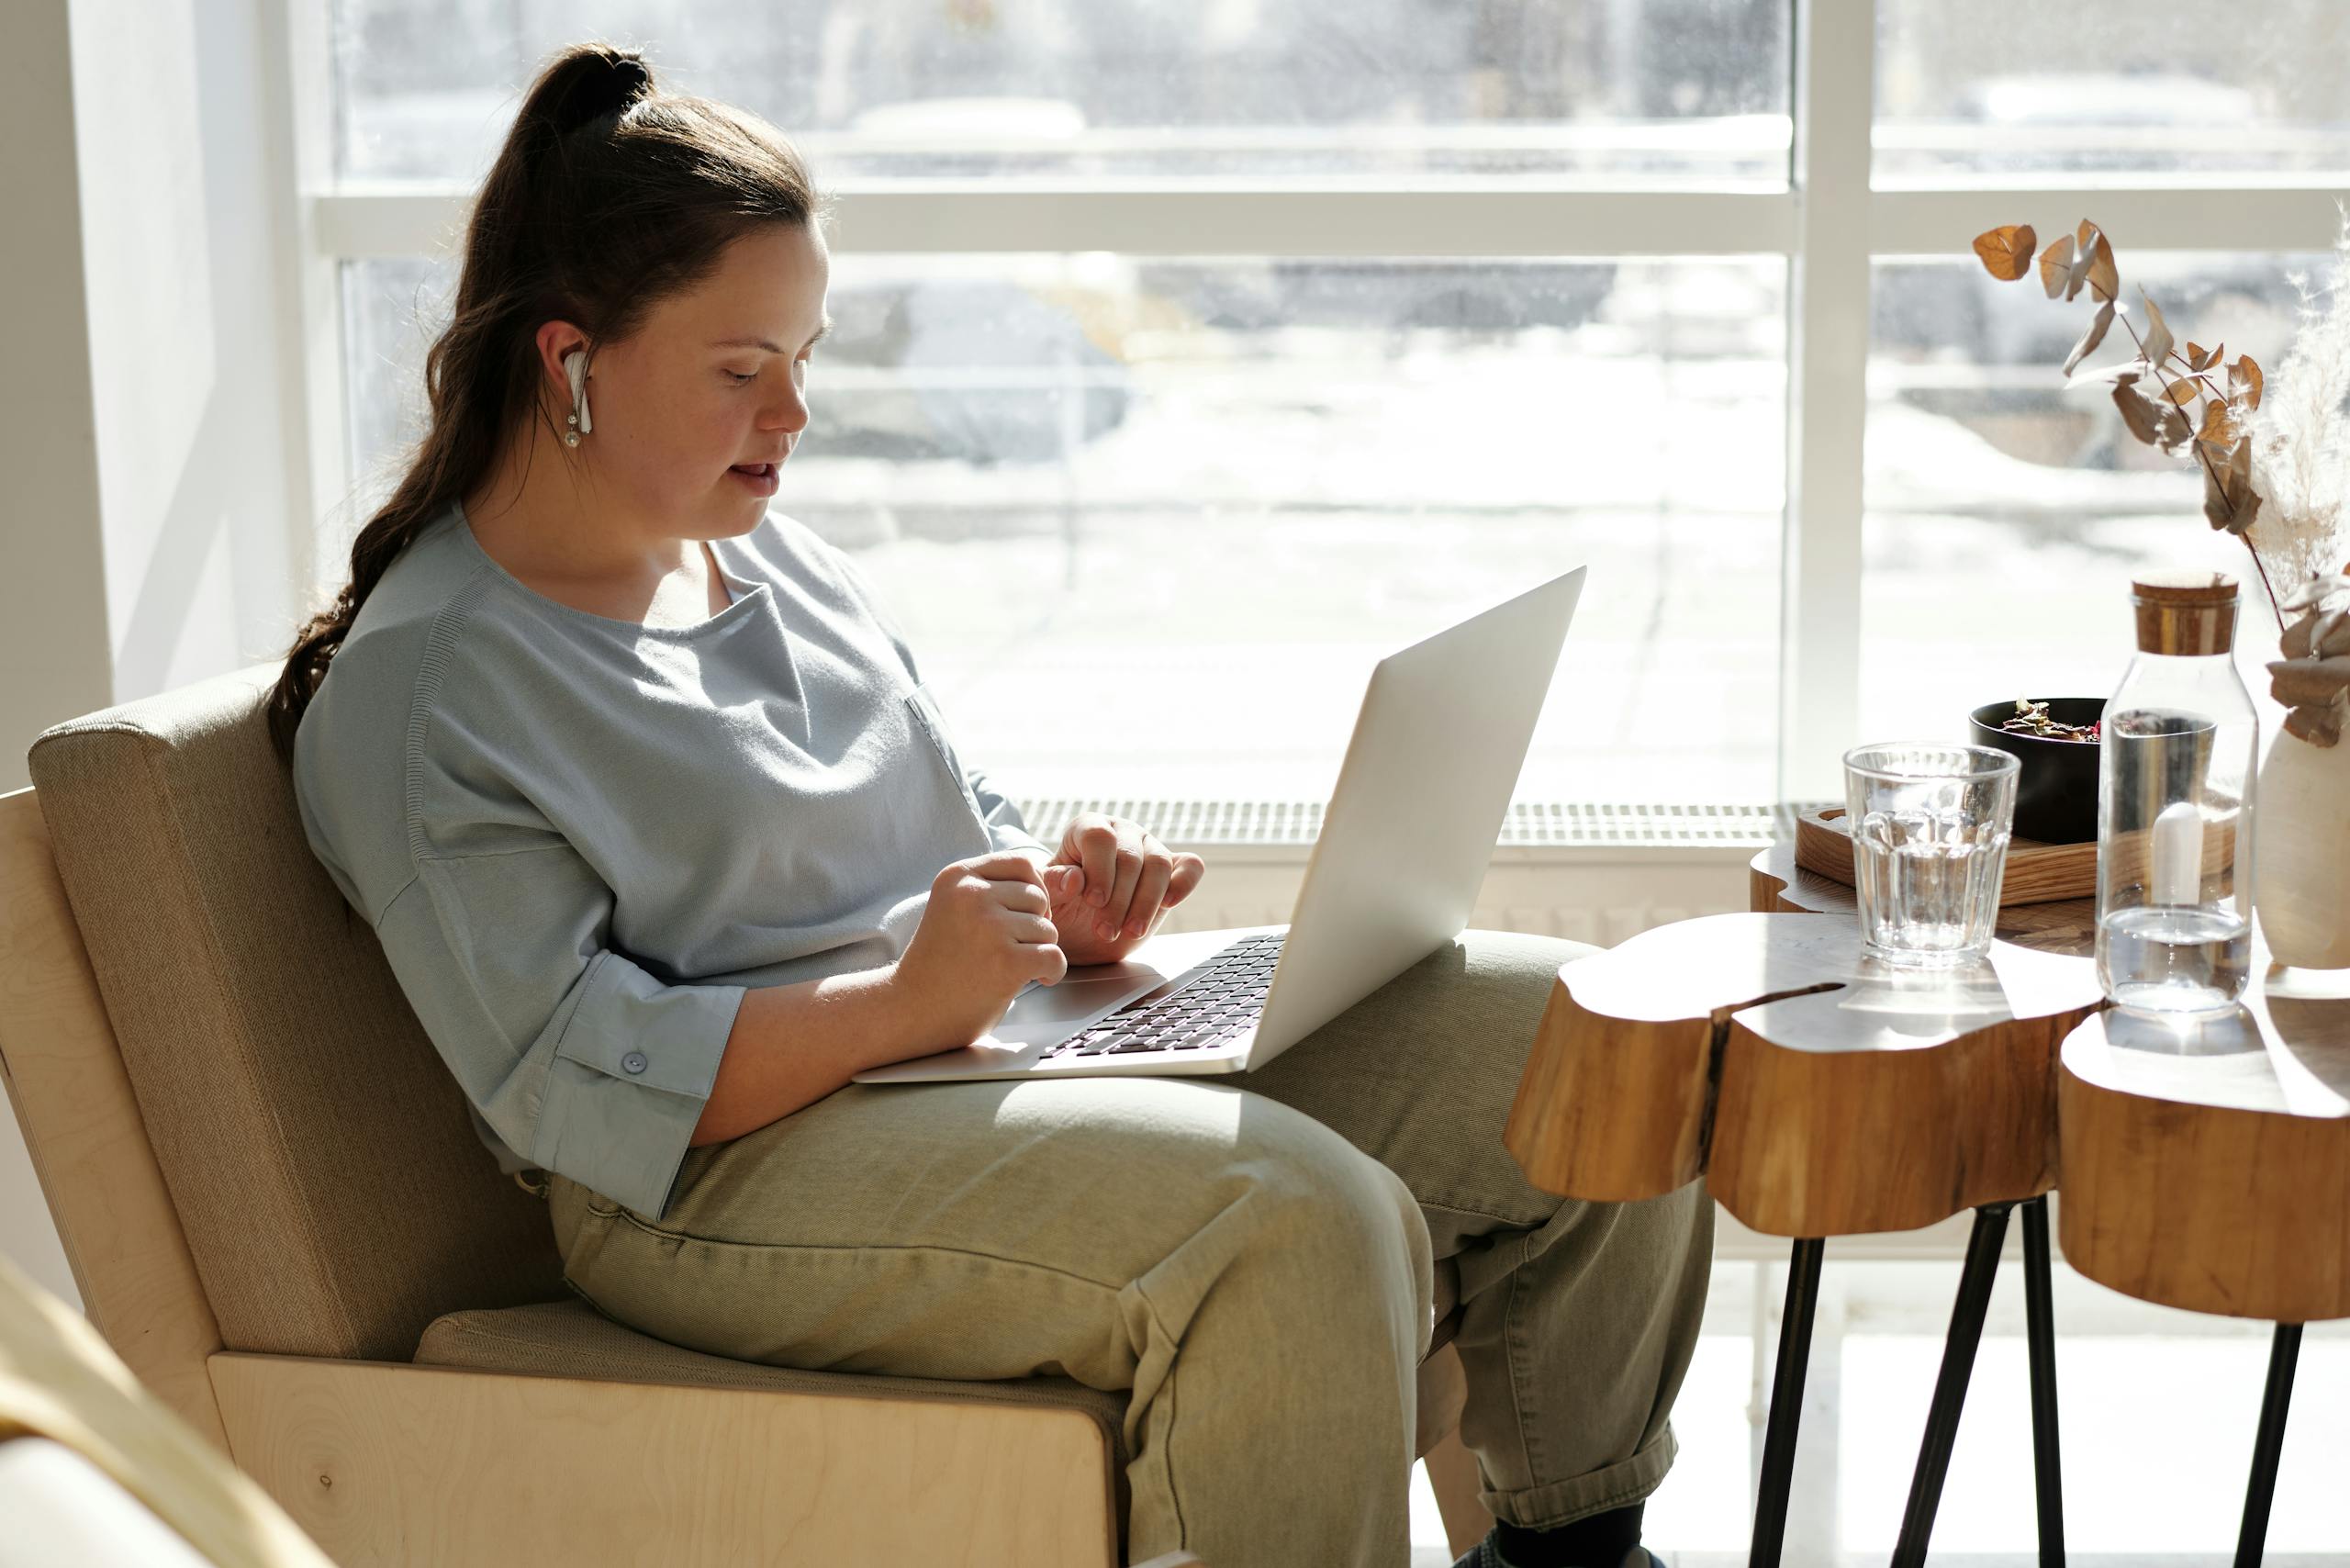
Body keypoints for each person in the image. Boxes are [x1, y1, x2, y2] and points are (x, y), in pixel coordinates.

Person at [266, 42, 1710, 1568]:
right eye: (742, 370)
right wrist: (906, 1002)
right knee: (1293, 1224)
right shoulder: (430, 695)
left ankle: (1572, 1556)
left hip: (970, 1056)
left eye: (806, 357)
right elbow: (573, 1087)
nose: (796, 415)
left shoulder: (769, 557)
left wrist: (1055, 901)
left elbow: (957, 823)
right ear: (569, 363)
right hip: (713, 1181)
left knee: (1593, 1038)